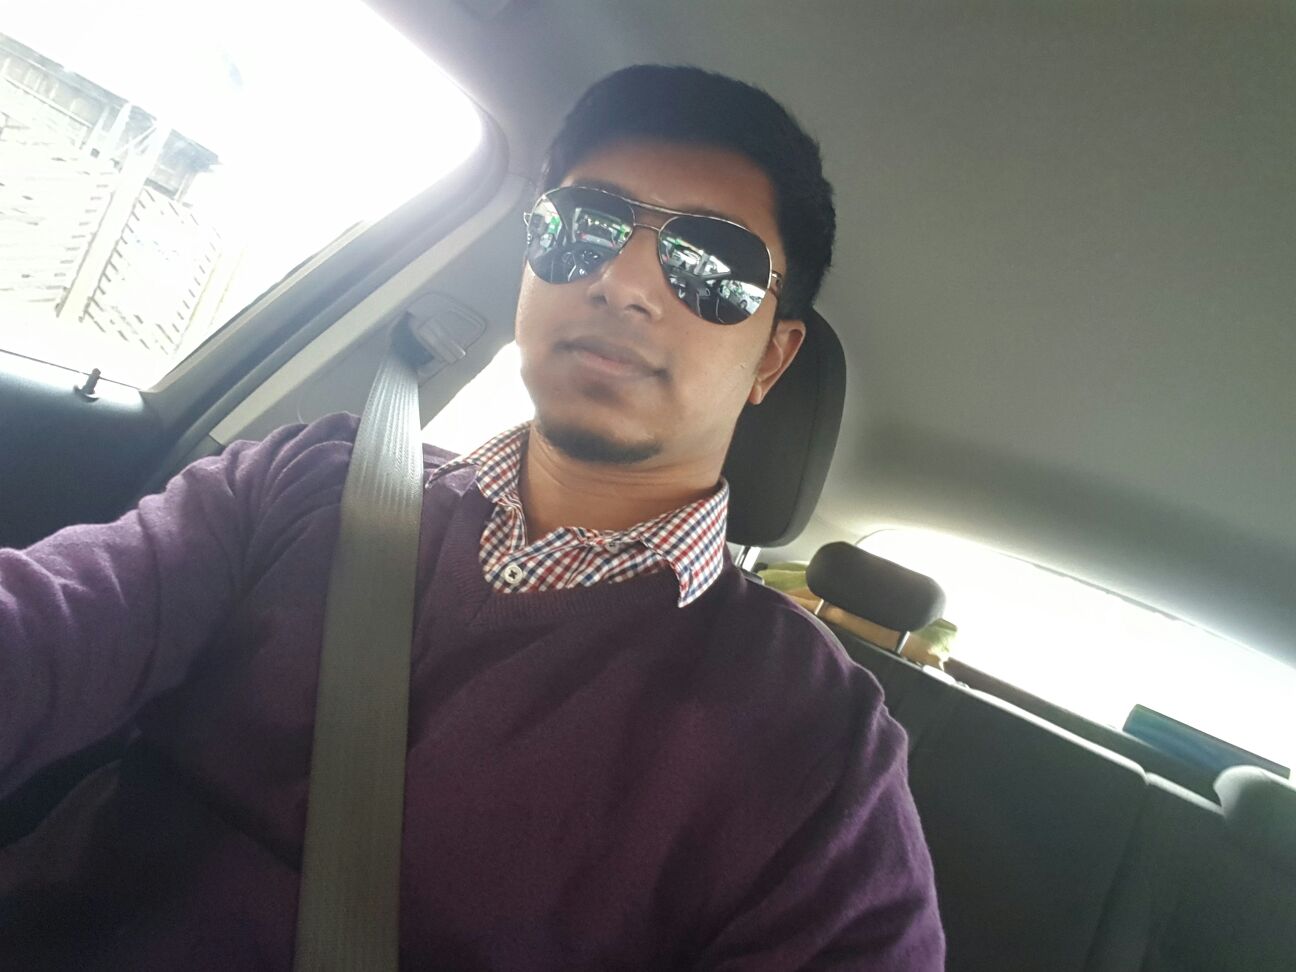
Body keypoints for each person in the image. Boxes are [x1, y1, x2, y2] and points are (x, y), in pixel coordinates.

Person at [0, 65, 944, 969]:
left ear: (772, 358)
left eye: (713, 265)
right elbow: (46, 626)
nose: (624, 282)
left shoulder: (816, 751)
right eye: (585, 224)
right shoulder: (307, 479)